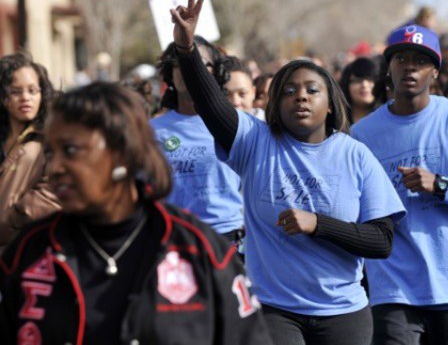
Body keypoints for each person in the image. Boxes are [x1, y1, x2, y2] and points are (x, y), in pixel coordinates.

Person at [170, 0, 405, 345]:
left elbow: (381, 241)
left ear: (330, 104)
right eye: (289, 91)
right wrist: (186, 51)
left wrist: (318, 225)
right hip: (275, 310)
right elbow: (212, 105)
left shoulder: (354, 154)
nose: (301, 98)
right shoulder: (255, 141)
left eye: (313, 90)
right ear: (275, 104)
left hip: (343, 312)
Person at [0, 82, 272, 345]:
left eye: (71, 150)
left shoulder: (201, 251)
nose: (55, 167)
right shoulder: (29, 252)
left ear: (123, 152)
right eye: (50, 153)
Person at [351, 24, 448, 345]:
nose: (410, 66)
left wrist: (440, 185)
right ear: (389, 69)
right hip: (393, 287)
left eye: (421, 61)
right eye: (401, 58)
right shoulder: (362, 135)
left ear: (435, 72)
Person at [151, 42, 245, 243]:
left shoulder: (237, 124)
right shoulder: (150, 131)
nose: (189, 68)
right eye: (179, 63)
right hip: (175, 240)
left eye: (201, 63)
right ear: (170, 74)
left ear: (217, 73)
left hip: (227, 241)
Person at [0, 52, 60, 247]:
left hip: (25, 249)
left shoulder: (51, 138)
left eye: (32, 91)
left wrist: (12, 218)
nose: (25, 98)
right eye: (16, 91)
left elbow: (54, 191)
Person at [217, 56, 265, 121]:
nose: (235, 102)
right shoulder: (204, 128)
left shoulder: (268, 125)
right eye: (226, 94)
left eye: (242, 93)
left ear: (253, 92)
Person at [339, 57, 379, 124]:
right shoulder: (337, 121)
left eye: (370, 79)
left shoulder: (389, 118)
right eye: (358, 80)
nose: (364, 85)